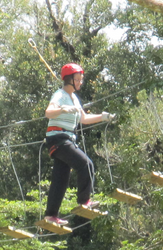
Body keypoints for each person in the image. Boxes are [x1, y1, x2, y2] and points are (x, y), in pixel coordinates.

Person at [41, 63, 115, 228]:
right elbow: (48, 112)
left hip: (66, 139)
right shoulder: (59, 95)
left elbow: (83, 119)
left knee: (60, 180)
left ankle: (50, 215)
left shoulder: (74, 98)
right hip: (59, 138)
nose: (81, 83)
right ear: (69, 80)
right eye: (78, 80)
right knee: (85, 164)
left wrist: (103, 117)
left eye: (81, 80)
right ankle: (84, 200)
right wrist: (62, 110)